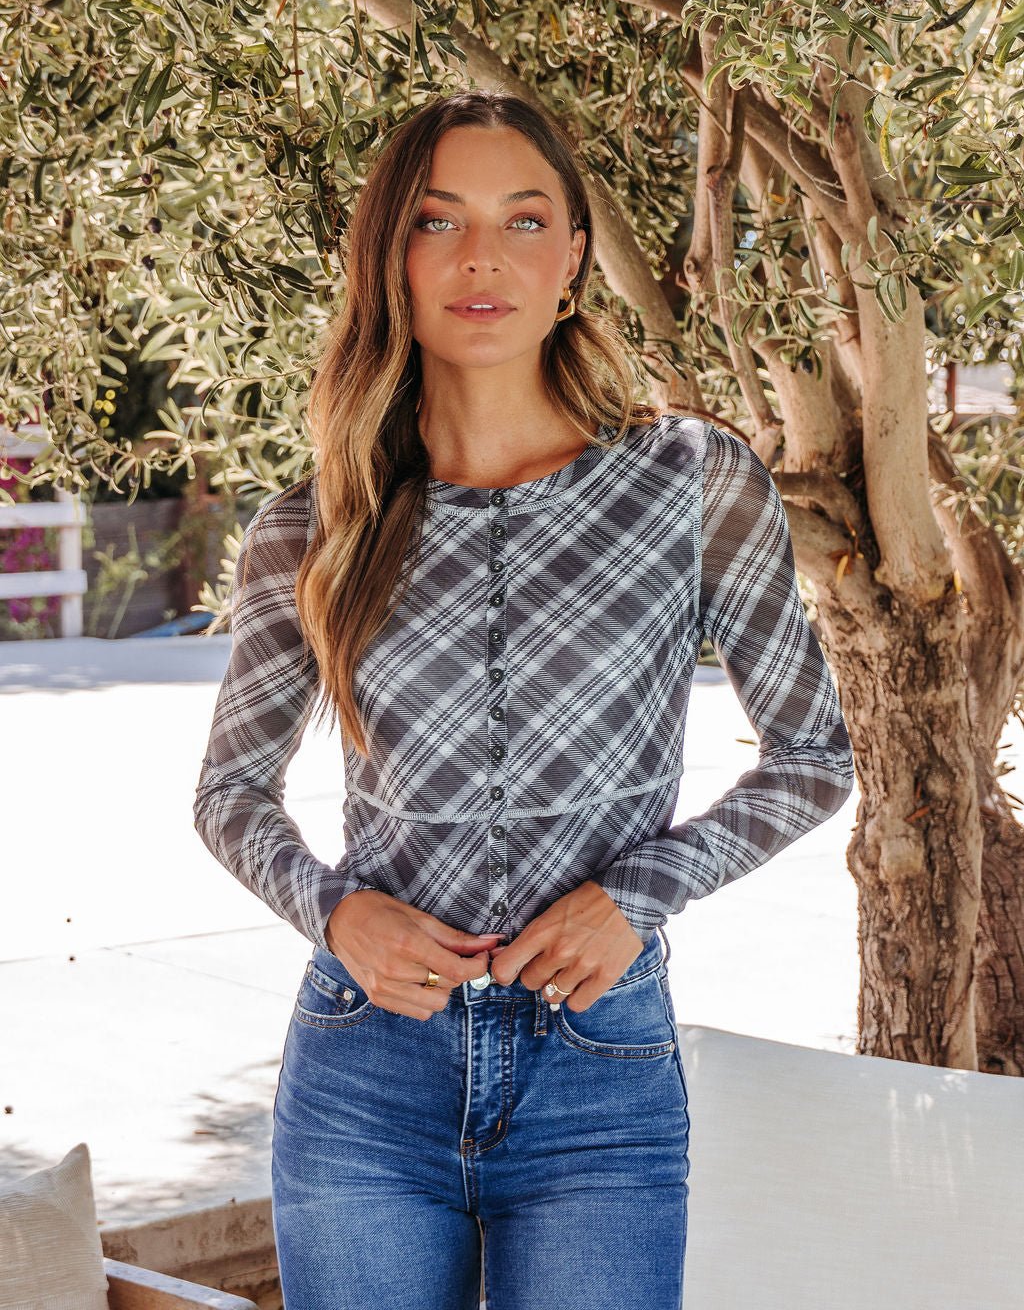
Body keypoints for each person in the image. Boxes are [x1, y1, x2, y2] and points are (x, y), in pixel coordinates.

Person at [193, 89, 856, 1310]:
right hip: (361, 1077)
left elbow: (814, 754)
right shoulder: (312, 529)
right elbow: (231, 794)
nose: (480, 256)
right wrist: (337, 914)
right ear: (388, 257)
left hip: (598, 1067)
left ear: (573, 260)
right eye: (437, 221)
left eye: (522, 218)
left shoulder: (688, 484)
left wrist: (636, 897)